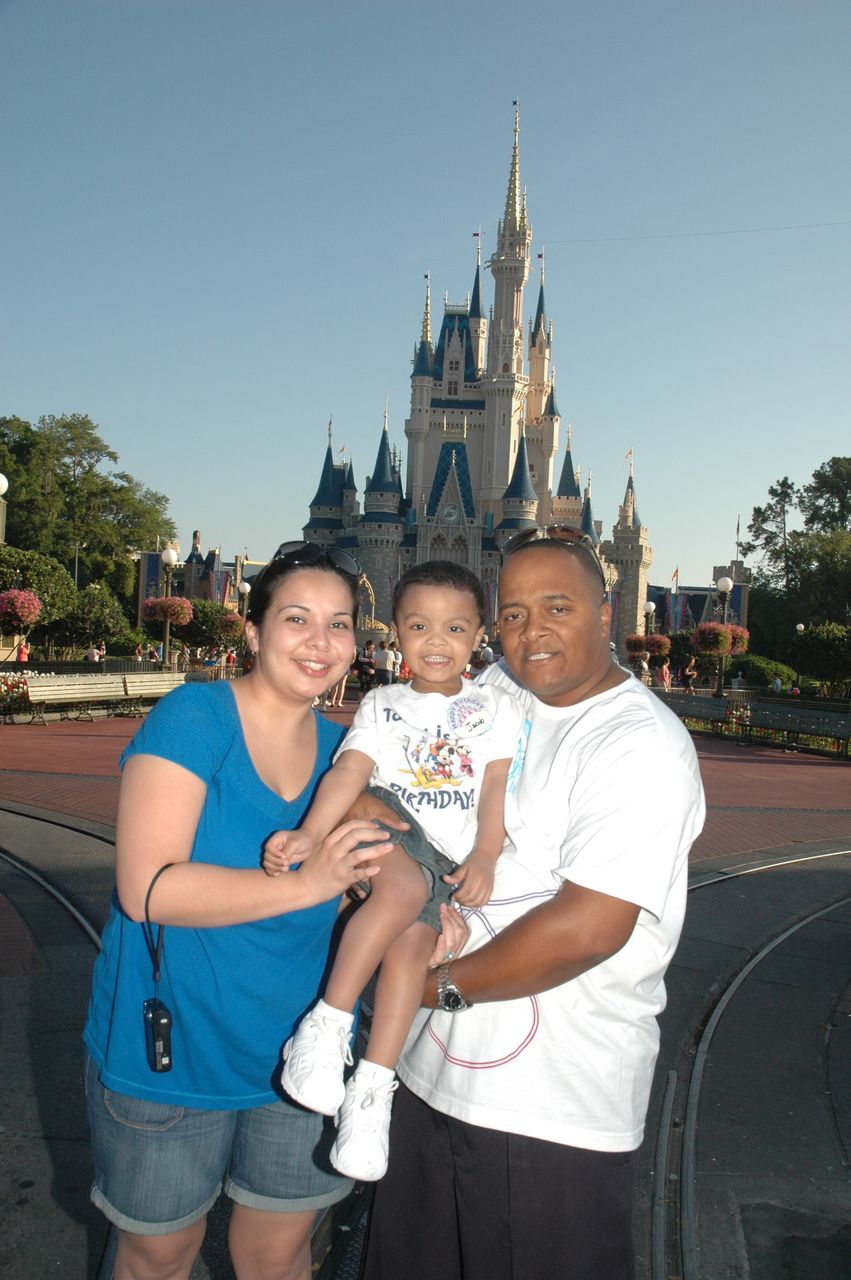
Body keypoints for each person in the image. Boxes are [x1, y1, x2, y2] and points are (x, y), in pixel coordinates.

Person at [362, 526, 705, 1280]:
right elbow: (385, 777)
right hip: (428, 1076)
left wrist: (422, 989)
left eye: (557, 607)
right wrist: (381, 851)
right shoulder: (492, 696)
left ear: (604, 612)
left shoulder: (636, 743)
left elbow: (585, 930)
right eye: (512, 613)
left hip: (551, 1110)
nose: (531, 631)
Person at [82, 542, 408, 1280]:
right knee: (158, 1255)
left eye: (339, 623)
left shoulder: (349, 754)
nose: (320, 642)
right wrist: (309, 881)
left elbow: (385, 883)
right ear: (254, 632)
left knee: (277, 1255)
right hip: (169, 1048)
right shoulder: (195, 717)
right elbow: (148, 888)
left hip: (303, 1060)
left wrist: (425, 906)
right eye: (296, 619)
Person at [262, 561, 523, 1182]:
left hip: (447, 857)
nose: (437, 641)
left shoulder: (495, 711)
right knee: (402, 887)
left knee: (413, 945)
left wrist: (485, 855)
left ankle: (372, 1092)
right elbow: (348, 774)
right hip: (393, 825)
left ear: (479, 633)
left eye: (455, 628)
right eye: (420, 626)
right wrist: (310, 831)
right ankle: (325, 1029)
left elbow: (494, 794)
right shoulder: (382, 703)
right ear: (397, 634)